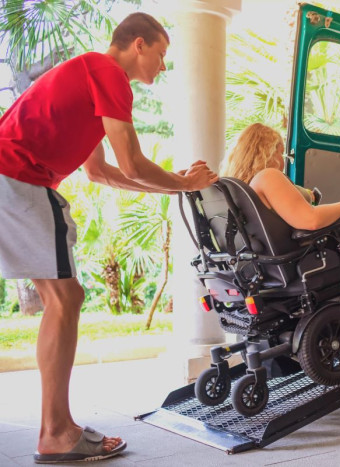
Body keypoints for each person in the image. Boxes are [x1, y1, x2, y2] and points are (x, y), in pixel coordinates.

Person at [0, 13, 218, 464]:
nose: (162, 66)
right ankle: (57, 433)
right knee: (66, 298)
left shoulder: (90, 79)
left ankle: (55, 429)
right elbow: (135, 166)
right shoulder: (108, 74)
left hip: (12, 177)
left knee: (63, 298)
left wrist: (173, 182)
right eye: (160, 55)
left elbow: (102, 173)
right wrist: (186, 185)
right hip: (17, 176)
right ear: (138, 45)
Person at [219, 123, 340, 306]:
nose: (282, 161)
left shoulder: (237, 187)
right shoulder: (267, 176)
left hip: (265, 266)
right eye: (280, 153)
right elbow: (310, 221)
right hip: (299, 258)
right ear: (268, 152)